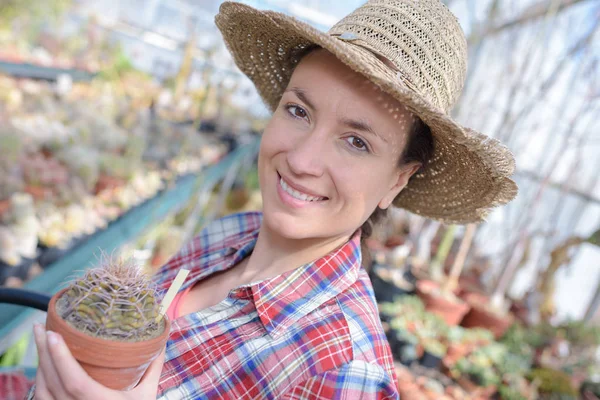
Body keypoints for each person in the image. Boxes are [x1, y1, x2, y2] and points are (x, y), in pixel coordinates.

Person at [31, 0, 518, 399]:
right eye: (299, 110)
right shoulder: (228, 233)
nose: (302, 159)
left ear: (398, 180)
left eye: (357, 141)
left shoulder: (341, 373)